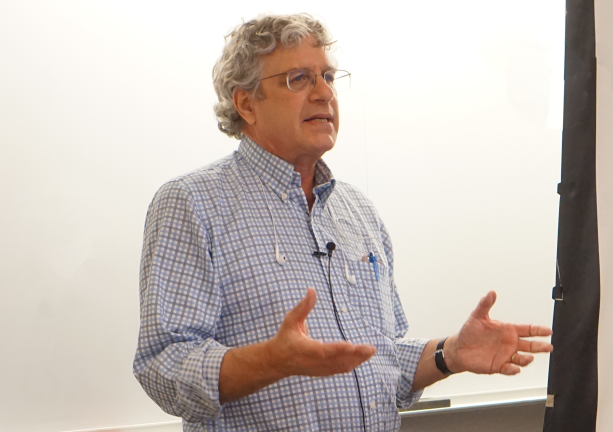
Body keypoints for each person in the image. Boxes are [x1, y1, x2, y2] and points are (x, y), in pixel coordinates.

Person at [133, 13, 553, 432]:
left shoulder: (358, 211)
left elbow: (382, 362)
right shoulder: (193, 203)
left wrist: (450, 353)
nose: (323, 93)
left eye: (328, 77)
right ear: (246, 103)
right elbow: (163, 365)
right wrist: (272, 361)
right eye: (299, 78)